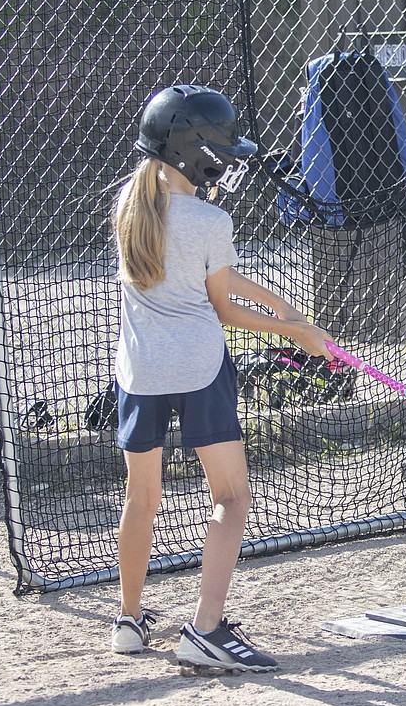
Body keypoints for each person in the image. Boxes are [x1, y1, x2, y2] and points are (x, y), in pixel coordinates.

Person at [107, 84, 333, 672]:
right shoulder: (209, 218)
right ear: (193, 152)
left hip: (140, 373)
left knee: (142, 497)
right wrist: (300, 336)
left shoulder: (130, 206)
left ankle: (129, 621)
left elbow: (195, 280)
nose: (227, 162)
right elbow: (221, 308)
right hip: (200, 370)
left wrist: (277, 299)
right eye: (221, 151)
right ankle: (205, 628)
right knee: (232, 500)